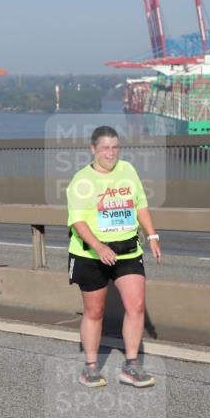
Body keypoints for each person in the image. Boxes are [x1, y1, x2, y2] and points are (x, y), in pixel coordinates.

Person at [66, 125, 161, 388]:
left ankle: (131, 366)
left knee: (137, 305)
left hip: (127, 249)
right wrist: (99, 247)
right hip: (90, 253)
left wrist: (152, 235)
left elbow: (139, 204)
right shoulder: (81, 181)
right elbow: (77, 222)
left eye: (115, 147)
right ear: (93, 149)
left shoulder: (127, 170)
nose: (111, 153)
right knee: (95, 311)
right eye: (105, 148)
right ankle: (91, 367)